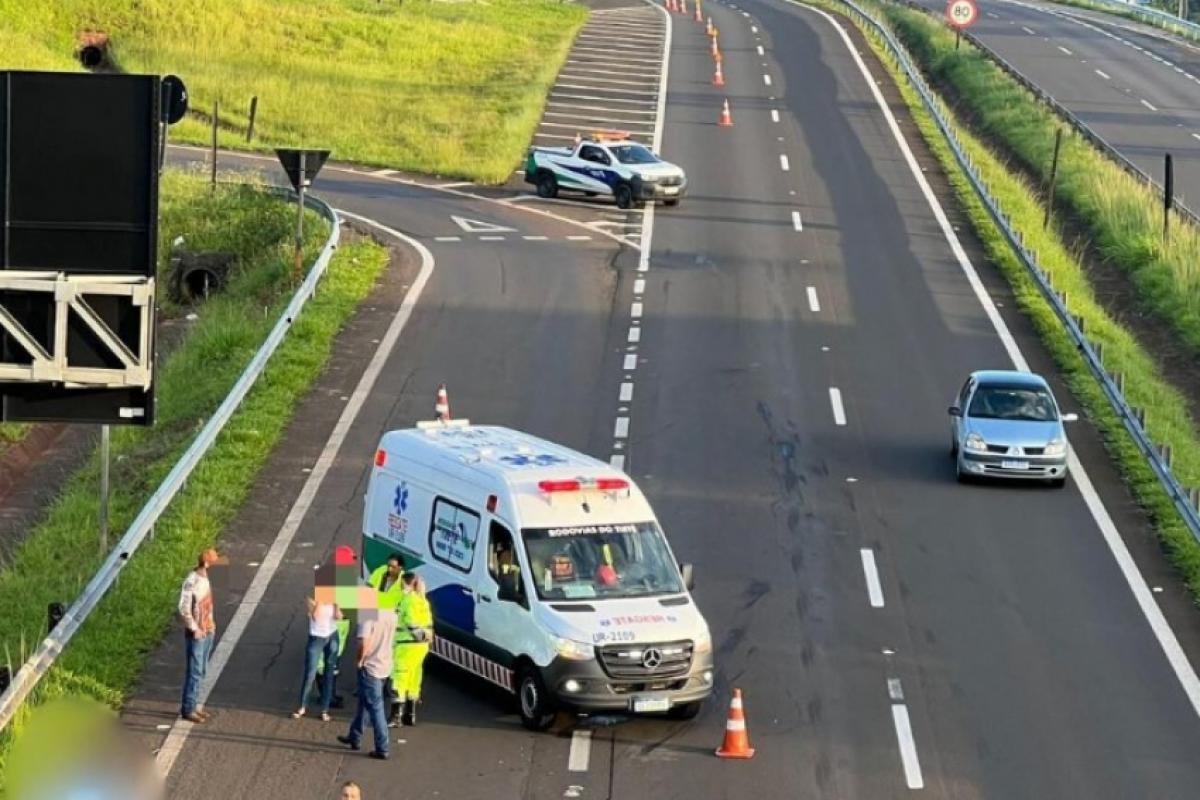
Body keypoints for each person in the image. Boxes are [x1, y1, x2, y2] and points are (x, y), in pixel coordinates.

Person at [337, 603, 397, 759]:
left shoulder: (367, 616)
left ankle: (382, 747)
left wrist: (360, 660)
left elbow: (364, 642)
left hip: (370, 667)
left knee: (376, 709)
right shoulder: (391, 613)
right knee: (364, 702)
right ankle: (354, 736)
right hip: (385, 665)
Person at [178, 548, 221, 724]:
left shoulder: (204, 577)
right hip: (198, 633)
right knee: (195, 672)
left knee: (201, 670)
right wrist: (194, 628)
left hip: (208, 629)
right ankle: (188, 708)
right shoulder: (192, 581)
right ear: (205, 563)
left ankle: (194, 705)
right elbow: (183, 608)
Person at [389, 572, 434, 727]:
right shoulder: (423, 601)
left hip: (406, 644)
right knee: (414, 677)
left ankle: (396, 716)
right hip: (421, 648)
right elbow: (428, 624)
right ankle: (410, 714)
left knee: (399, 678)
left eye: (402, 584)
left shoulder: (408, 600)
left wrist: (419, 636)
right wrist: (426, 638)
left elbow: (410, 623)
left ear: (407, 583)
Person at [292, 593, 343, 721]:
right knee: (310, 673)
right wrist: (320, 601)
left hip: (331, 636)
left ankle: (325, 709)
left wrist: (336, 605)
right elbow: (315, 616)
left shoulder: (334, 599)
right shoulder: (312, 600)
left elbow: (339, 617)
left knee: (329, 673)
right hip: (316, 638)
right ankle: (302, 706)